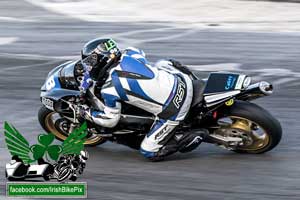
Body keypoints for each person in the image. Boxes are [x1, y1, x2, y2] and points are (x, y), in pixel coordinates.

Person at [76, 38, 208, 161]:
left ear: (99, 60)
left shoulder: (109, 89)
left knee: (149, 151)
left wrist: (86, 112)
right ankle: (195, 80)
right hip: (182, 80)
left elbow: (110, 120)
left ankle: (195, 135)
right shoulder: (130, 53)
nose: (89, 67)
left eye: (90, 63)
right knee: (164, 63)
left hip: (174, 107)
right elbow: (140, 53)